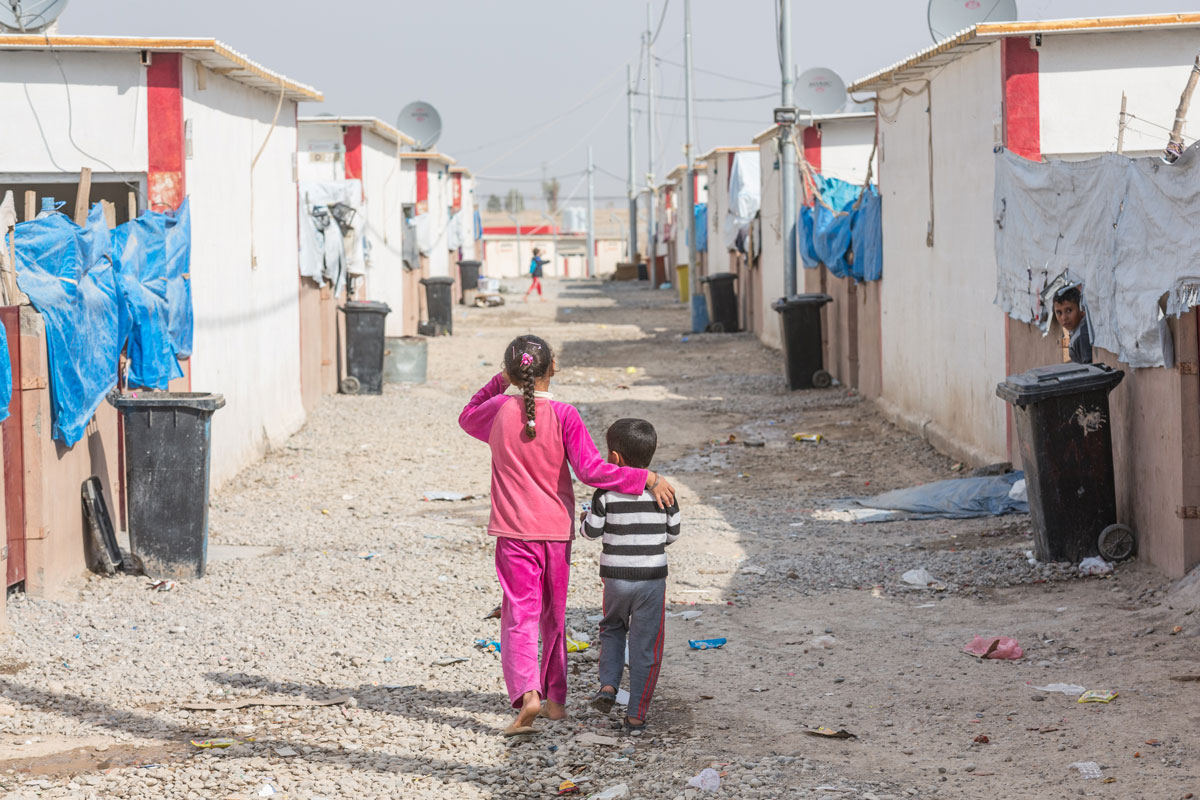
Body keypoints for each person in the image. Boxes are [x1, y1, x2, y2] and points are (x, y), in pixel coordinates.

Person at [458, 335, 676, 737]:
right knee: (553, 617)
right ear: (552, 367)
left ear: (512, 370)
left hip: (512, 532)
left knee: (519, 615)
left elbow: (466, 414)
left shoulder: (495, 411)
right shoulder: (565, 415)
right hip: (556, 533)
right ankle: (556, 701)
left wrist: (498, 381)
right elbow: (593, 471)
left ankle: (528, 695)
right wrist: (644, 476)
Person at [580, 418, 680, 735]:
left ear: (614, 458)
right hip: (651, 579)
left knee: (612, 628)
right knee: (646, 646)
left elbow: (590, 533)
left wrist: (585, 517)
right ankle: (636, 716)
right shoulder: (665, 493)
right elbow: (672, 535)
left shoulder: (604, 493)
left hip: (615, 580)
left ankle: (608, 686)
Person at [1053, 286, 1092, 364]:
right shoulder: (1077, 331)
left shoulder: (1083, 335)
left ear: (1081, 308)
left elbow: (1089, 371)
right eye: (1059, 313)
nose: (1064, 318)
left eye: (1069, 310)